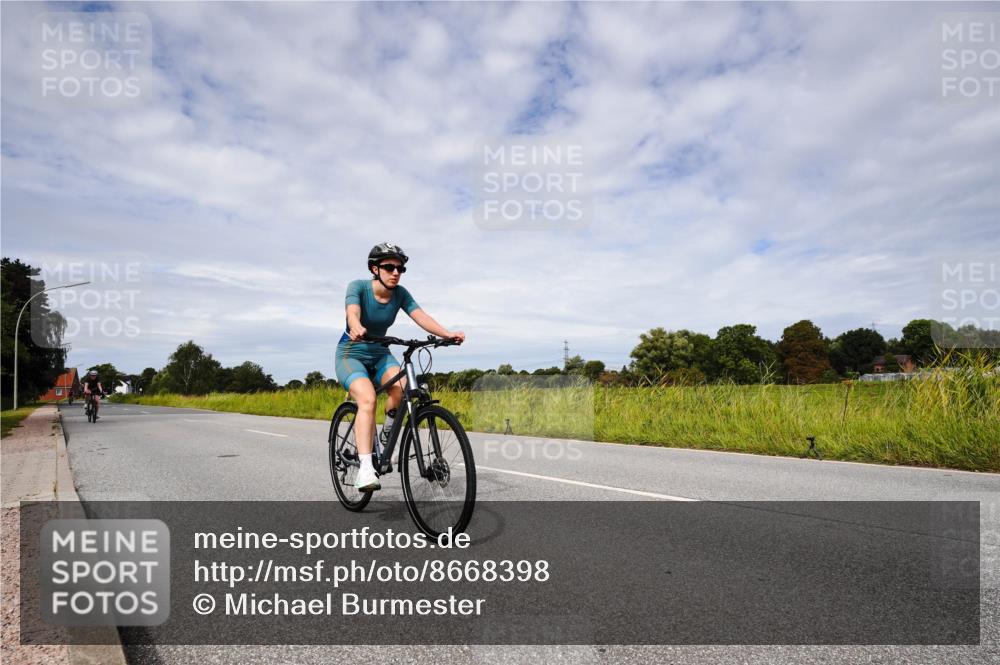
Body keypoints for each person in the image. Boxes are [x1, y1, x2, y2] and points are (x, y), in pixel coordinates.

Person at [335, 243, 464, 491]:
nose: (396, 272)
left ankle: (386, 435)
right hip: (351, 352)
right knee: (368, 399)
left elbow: (420, 316)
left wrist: (446, 334)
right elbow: (352, 312)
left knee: (403, 387)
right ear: (375, 268)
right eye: (389, 267)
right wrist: (355, 325)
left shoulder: (400, 293)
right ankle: (364, 469)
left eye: (400, 268)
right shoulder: (358, 287)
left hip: (380, 352)